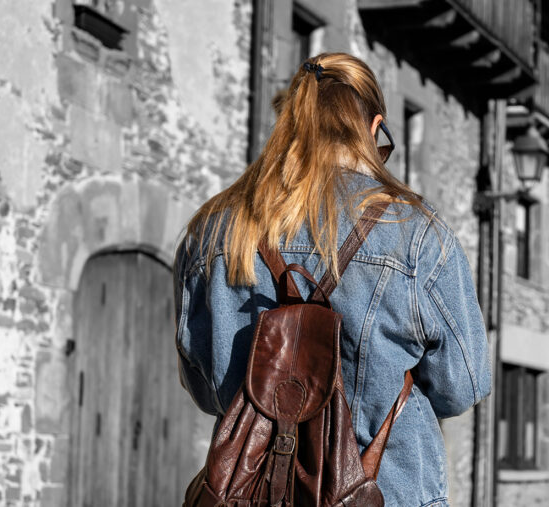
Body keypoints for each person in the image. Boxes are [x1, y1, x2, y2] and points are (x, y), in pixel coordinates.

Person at [172, 52, 491, 507]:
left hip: (251, 495)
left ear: (290, 124)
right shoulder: (416, 234)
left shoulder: (214, 230)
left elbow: (206, 390)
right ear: (375, 129)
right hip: (387, 493)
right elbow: (463, 387)